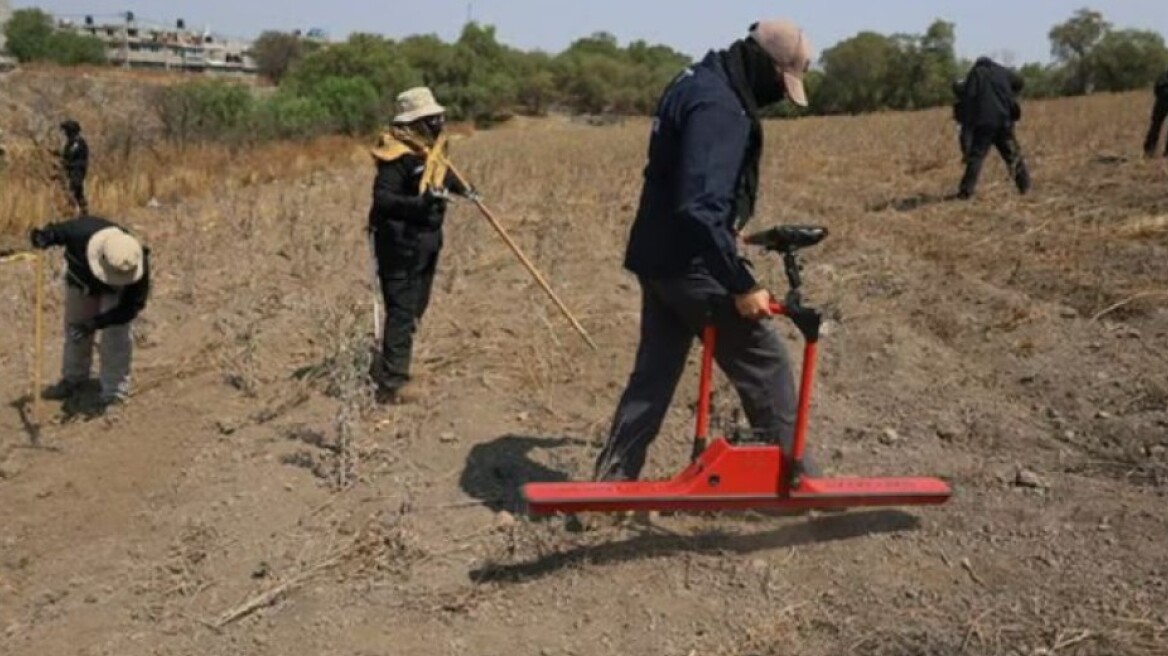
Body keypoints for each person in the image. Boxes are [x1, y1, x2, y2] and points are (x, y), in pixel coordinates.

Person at [592, 19, 821, 483]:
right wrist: (741, 281)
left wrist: (726, 236)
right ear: (764, 64)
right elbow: (698, 207)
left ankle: (610, 484)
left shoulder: (695, 80)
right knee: (765, 362)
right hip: (691, 262)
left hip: (658, 255)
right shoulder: (720, 106)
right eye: (781, 83)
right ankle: (796, 482)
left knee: (654, 375)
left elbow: (684, 185)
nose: (778, 95)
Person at [366, 87, 474, 405]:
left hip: (426, 240)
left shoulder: (430, 152)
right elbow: (383, 200)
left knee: (416, 306)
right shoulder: (395, 156)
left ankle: (392, 360)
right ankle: (392, 384)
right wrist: (420, 203)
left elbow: (445, 177)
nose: (439, 122)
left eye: (439, 117)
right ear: (415, 122)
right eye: (432, 118)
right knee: (401, 309)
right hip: (399, 242)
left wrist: (465, 190)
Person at [29, 216, 151, 407]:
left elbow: (130, 308)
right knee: (75, 331)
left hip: (116, 294)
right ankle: (73, 380)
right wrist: (44, 236)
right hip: (82, 284)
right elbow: (58, 232)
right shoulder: (81, 230)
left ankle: (114, 392)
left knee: (115, 338)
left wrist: (96, 323)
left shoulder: (135, 262)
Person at [955, 57, 1030, 199]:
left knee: (976, 157)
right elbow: (1019, 82)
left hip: (984, 123)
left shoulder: (976, 74)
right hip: (1004, 121)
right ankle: (1024, 186)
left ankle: (966, 191)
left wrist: (967, 127)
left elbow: (969, 98)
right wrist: (1011, 94)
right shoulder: (1002, 72)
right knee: (1012, 155)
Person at [56, 119, 89, 214]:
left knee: (72, 190)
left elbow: (71, 156)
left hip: (77, 170)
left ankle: (71, 211)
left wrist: (64, 161)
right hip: (72, 169)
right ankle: (83, 212)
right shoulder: (71, 142)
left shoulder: (78, 142)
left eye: (66, 131)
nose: (65, 133)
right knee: (78, 192)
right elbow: (66, 155)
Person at [1143, 68, 1168, 158]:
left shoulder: (1164, 74)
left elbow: (1156, 89)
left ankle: (1149, 150)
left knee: (1155, 125)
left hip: (1161, 100)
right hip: (1163, 98)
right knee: (1155, 125)